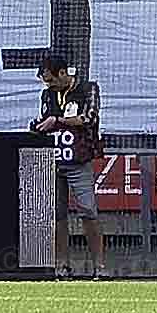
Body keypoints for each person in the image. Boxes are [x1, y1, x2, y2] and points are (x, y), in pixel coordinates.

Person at [32, 49, 106, 278]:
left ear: (63, 72)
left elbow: (89, 118)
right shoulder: (47, 95)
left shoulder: (87, 89)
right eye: (46, 81)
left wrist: (59, 120)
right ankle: (61, 265)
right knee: (57, 215)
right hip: (53, 160)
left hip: (78, 160)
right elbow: (45, 120)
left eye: (52, 79)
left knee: (88, 211)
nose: (49, 85)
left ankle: (99, 267)